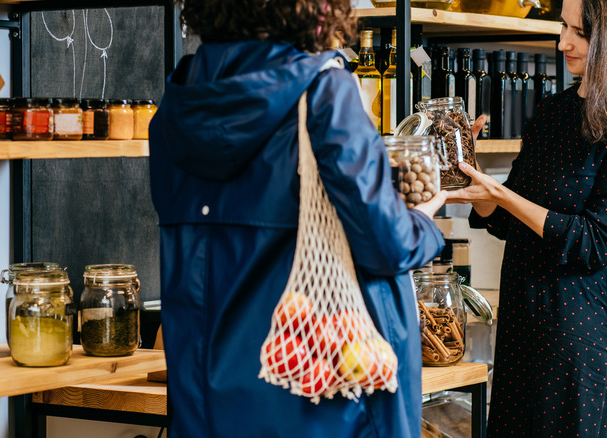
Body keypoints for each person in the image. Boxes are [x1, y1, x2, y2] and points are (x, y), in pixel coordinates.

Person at [148, 1, 448, 436]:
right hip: (315, 395)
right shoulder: (324, 92)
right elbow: (386, 243)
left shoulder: (177, 105)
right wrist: (422, 223)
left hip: (205, 401)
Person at [446, 0, 607, 436]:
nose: (563, 42)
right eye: (563, 26)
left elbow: (598, 243)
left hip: (579, 345)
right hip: (522, 331)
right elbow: (509, 219)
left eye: (579, 32)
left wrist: (502, 194)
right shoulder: (553, 111)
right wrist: (472, 176)